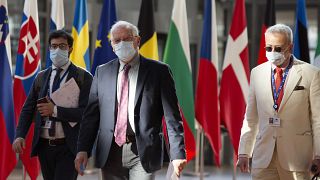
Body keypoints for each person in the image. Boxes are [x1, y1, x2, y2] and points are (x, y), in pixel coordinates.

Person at [74, 20, 187, 180]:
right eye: (116, 40)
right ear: (112, 44)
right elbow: (91, 116)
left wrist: (178, 153)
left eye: (126, 39)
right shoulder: (102, 72)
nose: (121, 44)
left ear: (137, 40)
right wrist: (83, 149)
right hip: (110, 151)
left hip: (144, 150)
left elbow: (172, 117)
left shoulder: (159, 71)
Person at [237, 24, 320, 180]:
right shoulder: (257, 73)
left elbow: (318, 120)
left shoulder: (311, 74)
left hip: (297, 161)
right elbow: (251, 118)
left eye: (278, 48)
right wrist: (244, 152)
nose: (273, 53)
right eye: (269, 48)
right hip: (263, 159)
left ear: (290, 47)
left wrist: (319, 155)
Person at [12, 30, 93, 180]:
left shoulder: (83, 77)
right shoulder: (42, 76)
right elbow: (28, 109)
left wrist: (55, 110)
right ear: (49, 48)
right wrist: (20, 135)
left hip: (69, 147)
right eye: (53, 46)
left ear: (70, 48)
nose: (57, 50)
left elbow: (88, 114)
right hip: (44, 146)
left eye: (62, 46)